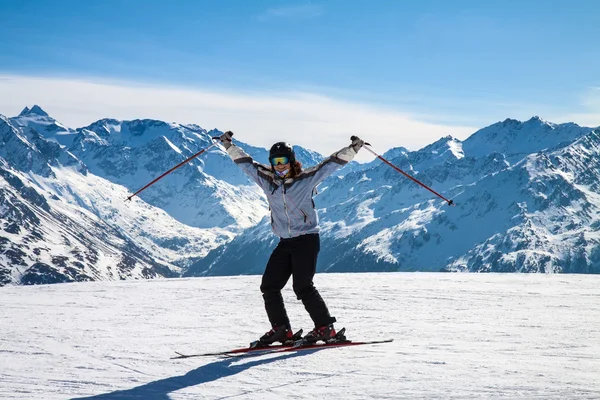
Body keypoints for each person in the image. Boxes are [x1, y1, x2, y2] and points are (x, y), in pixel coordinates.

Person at [217, 131, 364, 346]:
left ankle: (325, 328)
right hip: (285, 242)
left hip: (306, 239)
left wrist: (353, 149)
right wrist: (229, 146)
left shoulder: (305, 180)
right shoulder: (269, 182)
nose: (280, 165)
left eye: (283, 160)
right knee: (269, 285)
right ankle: (282, 330)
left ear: (291, 160)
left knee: (303, 286)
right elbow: (247, 165)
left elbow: (328, 166)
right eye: (275, 161)